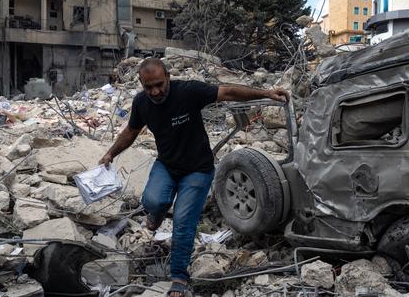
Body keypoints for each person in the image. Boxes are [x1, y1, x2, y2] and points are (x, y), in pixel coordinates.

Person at [99, 58, 289, 297]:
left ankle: (179, 276)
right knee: (151, 201)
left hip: (198, 170)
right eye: (149, 87)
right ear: (141, 84)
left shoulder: (188, 91)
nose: (155, 91)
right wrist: (110, 153)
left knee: (183, 222)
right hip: (167, 166)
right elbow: (131, 132)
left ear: (168, 77)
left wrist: (267, 93)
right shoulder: (141, 103)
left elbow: (228, 91)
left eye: (159, 84)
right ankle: (157, 214)